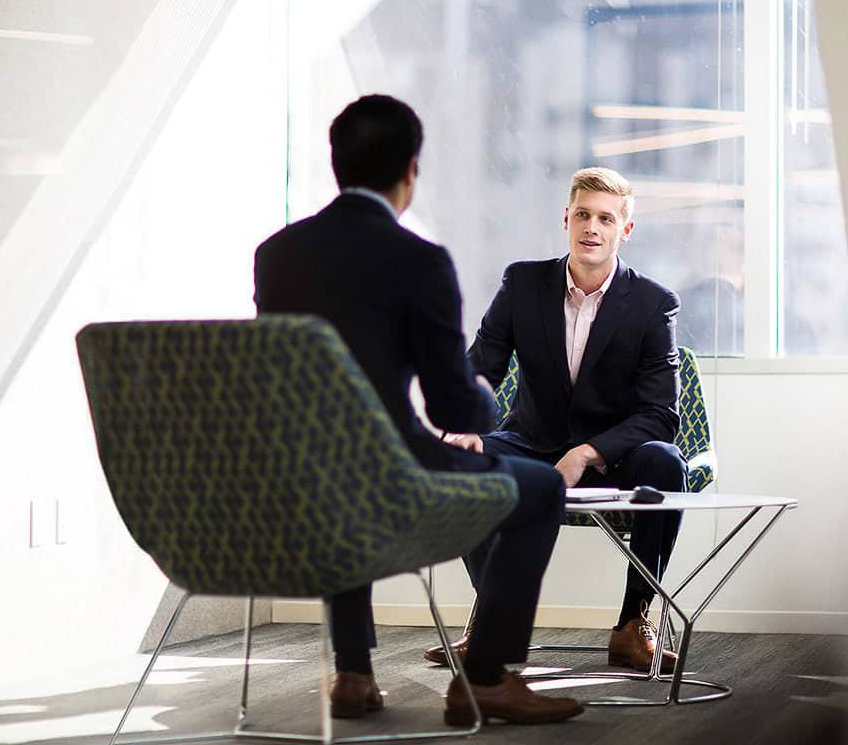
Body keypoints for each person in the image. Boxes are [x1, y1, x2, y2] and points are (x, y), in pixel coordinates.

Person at [253, 95, 581, 726]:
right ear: (410, 171)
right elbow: (454, 405)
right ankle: (485, 675)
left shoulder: (276, 254)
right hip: (392, 478)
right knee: (540, 488)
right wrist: (487, 397)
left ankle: (352, 671)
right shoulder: (419, 259)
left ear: (336, 164)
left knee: (339, 470)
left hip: (296, 477)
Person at [425, 167, 687, 672]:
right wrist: (462, 426)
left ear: (624, 231)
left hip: (613, 454)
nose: (592, 227)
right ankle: (495, 620)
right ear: (566, 219)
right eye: (583, 215)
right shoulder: (523, 282)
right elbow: (482, 367)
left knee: (665, 462)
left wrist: (588, 452)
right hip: (530, 441)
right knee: (457, 456)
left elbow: (660, 414)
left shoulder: (654, 304)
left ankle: (633, 625)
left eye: (606, 219)